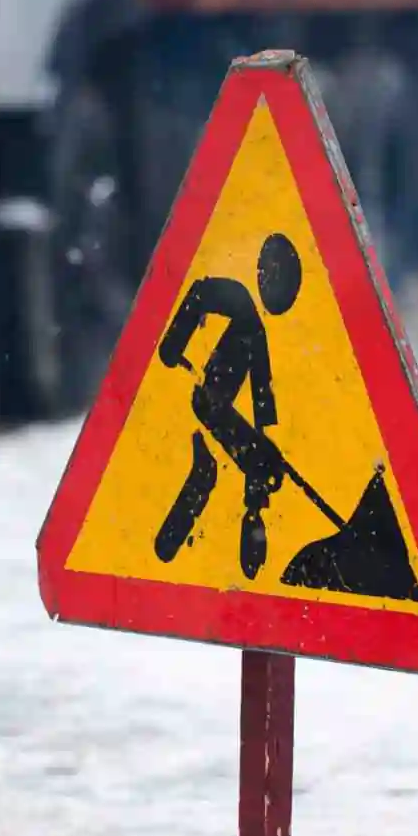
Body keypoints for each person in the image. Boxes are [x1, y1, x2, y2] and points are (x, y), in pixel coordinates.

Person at [154, 233, 302, 582]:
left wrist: (266, 436)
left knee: (244, 457)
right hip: (194, 397)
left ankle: (247, 509)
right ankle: (232, 498)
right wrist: (173, 344)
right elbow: (200, 294)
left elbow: (262, 389)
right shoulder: (240, 302)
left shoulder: (255, 325)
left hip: (210, 404)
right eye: (274, 274)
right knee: (219, 432)